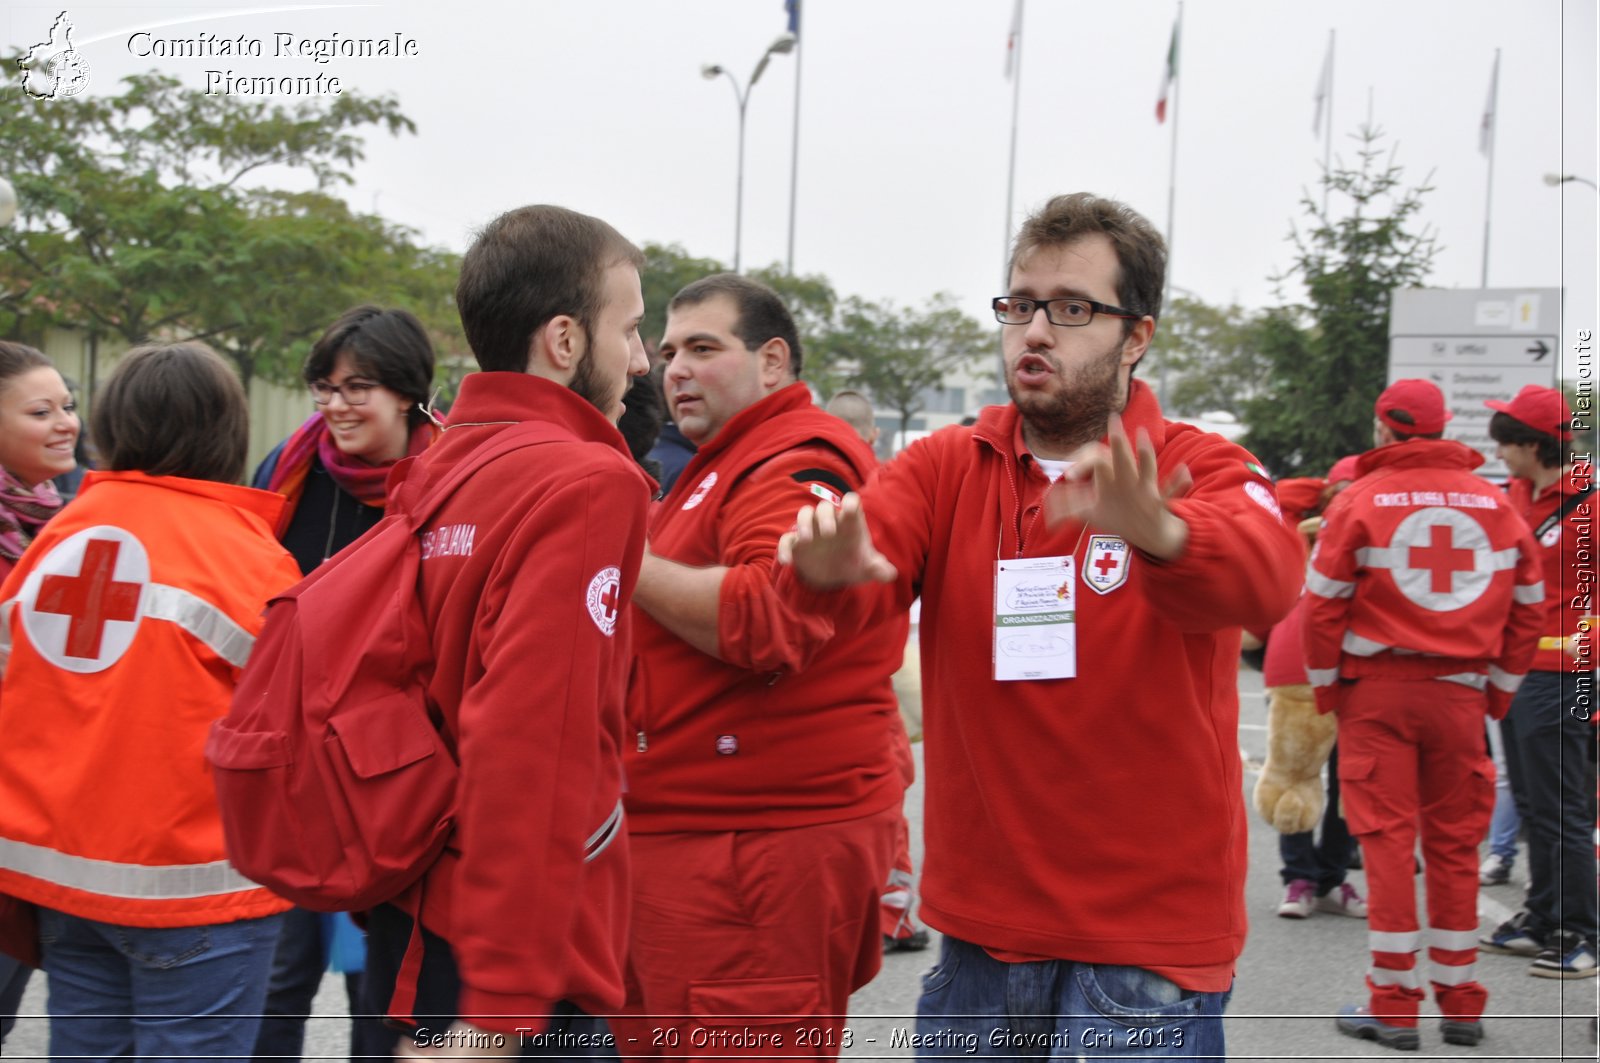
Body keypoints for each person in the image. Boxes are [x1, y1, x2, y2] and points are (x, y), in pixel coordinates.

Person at [779, 192, 1304, 1058]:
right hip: (979, 940)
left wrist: (1162, 531)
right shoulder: (947, 465)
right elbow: (865, 569)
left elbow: (1269, 578)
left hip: (1144, 953)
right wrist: (828, 577)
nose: (1033, 331)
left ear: (1137, 335)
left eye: (1070, 309)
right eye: (1019, 304)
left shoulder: (1195, 463)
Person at [353, 204, 653, 1059]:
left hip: (415, 919)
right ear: (564, 340)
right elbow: (537, 740)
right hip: (511, 958)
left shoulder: (441, 465)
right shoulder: (590, 481)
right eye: (629, 330)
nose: (640, 359)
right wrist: (503, 1007)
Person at [611, 274, 905, 1058]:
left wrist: (621, 559)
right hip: (701, 844)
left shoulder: (793, 456)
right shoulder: (729, 458)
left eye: (704, 348)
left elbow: (765, 617)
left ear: (772, 361)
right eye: (667, 350)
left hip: (753, 852)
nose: (674, 368)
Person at [0, 341, 301, 1060]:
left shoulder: (61, 535)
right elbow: (294, 721)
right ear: (226, 430)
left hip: (62, 880)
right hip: (195, 889)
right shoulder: (245, 556)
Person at [1302, 379, 1544, 1050]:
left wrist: (1330, 691)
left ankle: (1394, 1004)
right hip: (1461, 696)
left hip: (1375, 693)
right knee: (1455, 847)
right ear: (1443, 429)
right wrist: (1492, 691)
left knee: (1383, 847)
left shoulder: (1359, 499)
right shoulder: (1495, 504)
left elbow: (1322, 605)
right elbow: (1530, 608)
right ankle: (1462, 1002)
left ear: (1384, 429)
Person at [250, 305, 439, 1063]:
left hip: (391, 772)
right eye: (324, 387)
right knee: (277, 973)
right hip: (291, 764)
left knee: (381, 983)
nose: (335, 405)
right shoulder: (285, 469)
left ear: (407, 392)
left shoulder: (447, 482)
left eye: (358, 386)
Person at [1478, 384, 1598, 979]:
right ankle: (1543, 916)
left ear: (1534, 444)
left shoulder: (1592, 504)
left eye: (1507, 444)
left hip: (1566, 675)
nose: (1498, 454)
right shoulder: (1519, 495)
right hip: (1518, 673)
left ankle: (1585, 935)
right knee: (1531, 804)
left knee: (1562, 811)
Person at [824, 388, 928, 952]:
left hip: (876, 661)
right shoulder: (882, 477)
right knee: (886, 786)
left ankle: (895, 914)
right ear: (876, 435)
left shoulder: (822, 477)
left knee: (883, 787)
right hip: (893, 655)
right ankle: (893, 912)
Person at [0, 341, 80, 1047]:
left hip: (32, 818)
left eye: (68, 405)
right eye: (40, 411)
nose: (65, 423)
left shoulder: (68, 517)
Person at [1260, 472, 1367, 922]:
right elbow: (1281, 497)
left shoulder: (1372, 537)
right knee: (1294, 779)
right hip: (1295, 672)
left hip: (1357, 672)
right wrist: (1330, 488)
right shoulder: (1295, 531)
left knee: (1353, 787)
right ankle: (1299, 877)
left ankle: (1331, 876)